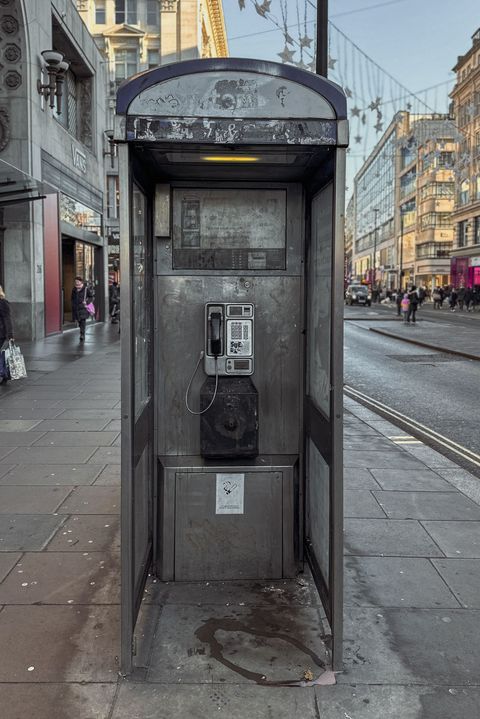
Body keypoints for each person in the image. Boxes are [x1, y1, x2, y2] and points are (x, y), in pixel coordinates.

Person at [71, 276, 94, 342]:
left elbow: (91, 297)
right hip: (76, 308)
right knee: (79, 321)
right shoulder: (74, 289)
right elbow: (72, 298)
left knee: (83, 321)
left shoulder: (86, 289)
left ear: (81, 282)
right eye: (75, 282)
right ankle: (82, 331)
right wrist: (73, 305)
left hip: (83, 307)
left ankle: (82, 334)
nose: (77, 283)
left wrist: (86, 302)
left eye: (78, 281)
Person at [0, 285, 14, 384]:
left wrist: (10, 335)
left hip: (1, 333)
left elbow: (7, 319)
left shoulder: (3, 303)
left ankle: (4, 374)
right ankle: (4, 374)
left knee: (3, 354)